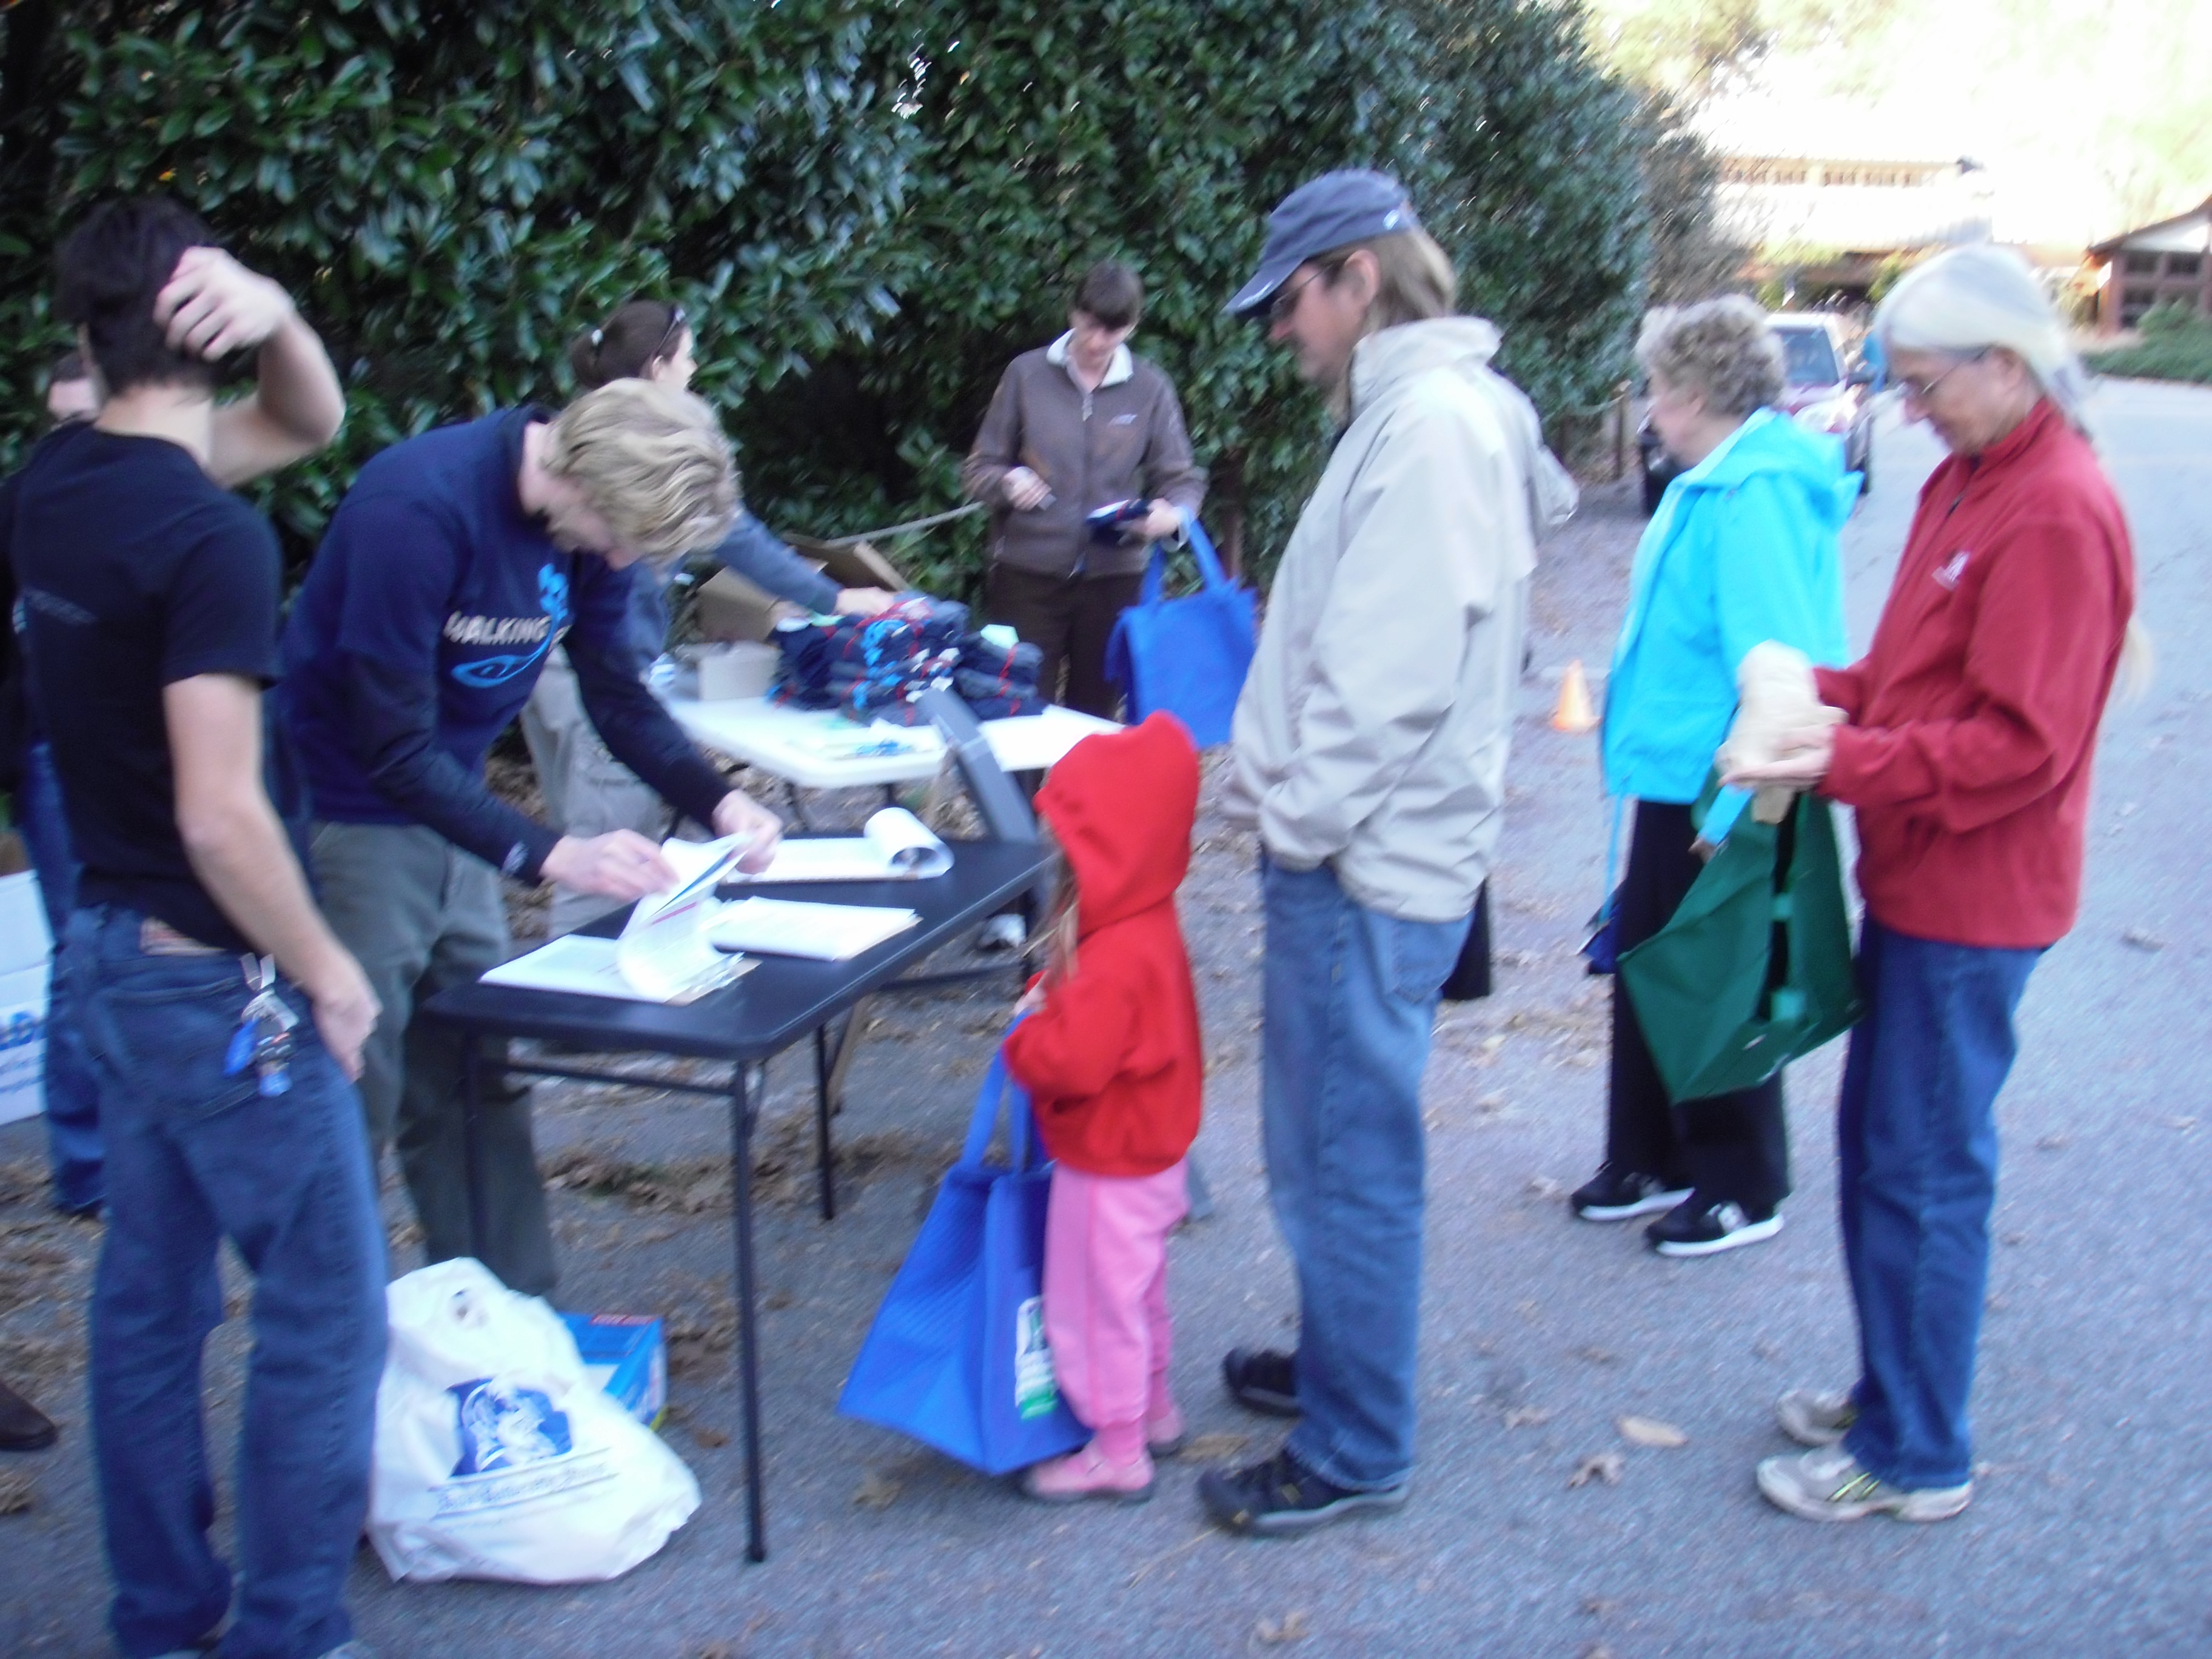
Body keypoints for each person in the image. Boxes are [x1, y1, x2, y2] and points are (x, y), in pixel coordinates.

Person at [8, 196, 383, 1659]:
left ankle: (161, 1617)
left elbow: (308, 412)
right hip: (205, 974)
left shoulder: (56, 481)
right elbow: (223, 815)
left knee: (152, 1300)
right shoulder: (207, 535)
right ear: (198, 321)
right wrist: (329, 968)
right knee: (327, 1307)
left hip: (102, 943)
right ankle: (286, 1629)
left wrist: (278, 312)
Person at [1729, 246, 2137, 1523]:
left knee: (1922, 1167)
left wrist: (1838, 753)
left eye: (1925, 384)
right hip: (1916, 881)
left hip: (1976, 900)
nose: (1909, 411)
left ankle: (1916, 1455)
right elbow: (1919, 678)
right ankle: (1891, 1390)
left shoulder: (2057, 507)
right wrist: (1820, 687)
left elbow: (2022, 744)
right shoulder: (1971, 478)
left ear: (2006, 366)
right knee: (1879, 1151)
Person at [1199, 170, 1572, 1536]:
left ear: (1360, 278)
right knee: (1321, 1141)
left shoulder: (1425, 427)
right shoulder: (1428, 414)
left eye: (1290, 302)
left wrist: (1290, 820)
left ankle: (1356, 1446)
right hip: (1372, 852)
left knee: (1347, 1152)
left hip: (1360, 864)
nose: (1280, 332)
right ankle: (1339, 1367)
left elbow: (1389, 678)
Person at [279, 377, 786, 1297]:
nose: (625, 558)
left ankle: (511, 1323)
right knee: (353, 1096)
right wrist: (555, 853)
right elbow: (391, 749)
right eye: (625, 537)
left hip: (453, 809)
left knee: (478, 1071)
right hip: (349, 818)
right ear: (583, 482)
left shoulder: (594, 525)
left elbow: (619, 695)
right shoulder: (416, 510)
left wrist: (719, 804)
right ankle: (332, 1356)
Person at [1570, 296, 1853, 1256]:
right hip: (1674, 769)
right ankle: (1651, 1155)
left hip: (1722, 783)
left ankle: (1741, 1182)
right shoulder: (1715, 481)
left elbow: (1780, 659)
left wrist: (1746, 801)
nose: (1649, 409)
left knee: (1723, 974)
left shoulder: (1753, 493)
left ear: (1694, 394)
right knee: (1653, 955)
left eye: (1656, 390)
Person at [523, 299, 899, 934]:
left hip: (541, 663)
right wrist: (833, 599)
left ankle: (573, 988)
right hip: (595, 671)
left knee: (585, 825)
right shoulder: (653, 449)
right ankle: (582, 1004)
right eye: (689, 355)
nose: (696, 367)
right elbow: (736, 536)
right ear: (658, 364)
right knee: (609, 837)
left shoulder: (579, 431)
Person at [1002, 712, 1204, 1504]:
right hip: (1154, 1153)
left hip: (1107, 1160)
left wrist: (1025, 1044)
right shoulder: (1147, 920)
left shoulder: (1112, 957)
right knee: (1138, 1292)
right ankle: (1151, 1408)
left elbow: (1075, 1063)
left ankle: (1116, 1449)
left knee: (1091, 1306)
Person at [961, 260, 1207, 717]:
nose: (1096, 343)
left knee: (1094, 723)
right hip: (1026, 578)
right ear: (1072, 312)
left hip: (1115, 581)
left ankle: (1077, 795)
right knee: (1019, 715)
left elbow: (1182, 480)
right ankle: (1019, 796)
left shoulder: (1151, 388)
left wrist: (1172, 517)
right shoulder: (1025, 375)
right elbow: (979, 469)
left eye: (1112, 333)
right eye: (1090, 326)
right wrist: (1007, 481)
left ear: (1132, 327)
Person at [4, 352, 106, 1218]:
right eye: (60, 424)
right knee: (80, 955)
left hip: (143, 757)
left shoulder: (162, 511)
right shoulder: (20, 508)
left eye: (91, 422)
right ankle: (86, 1164)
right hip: (50, 758)